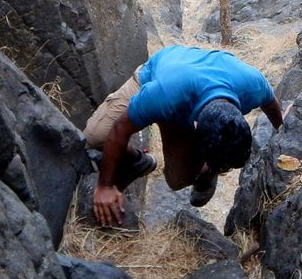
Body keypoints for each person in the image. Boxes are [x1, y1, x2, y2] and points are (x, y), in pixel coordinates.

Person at [83, 45, 285, 226]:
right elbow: (120, 129)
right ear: (195, 129)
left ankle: (208, 171)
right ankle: (138, 162)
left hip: (190, 97)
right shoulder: (161, 94)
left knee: (177, 181)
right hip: (160, 79)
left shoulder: (252, 84)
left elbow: (270, 103)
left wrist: (283, 131)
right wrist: (104, 186)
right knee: (95, 136)